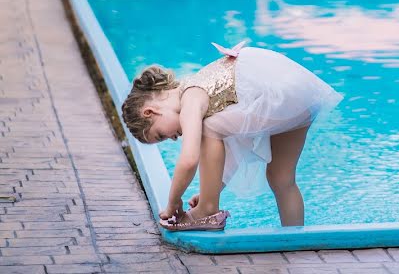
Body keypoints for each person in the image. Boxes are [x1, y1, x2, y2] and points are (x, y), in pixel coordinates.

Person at [121, 41, 342, 231]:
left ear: (150, 112)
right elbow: (232, 145)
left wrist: (172, 203)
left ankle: (207, 210)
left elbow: (189, 160)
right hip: (298, 94)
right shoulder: (197, 88)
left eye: (160, 135)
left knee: (209, 127)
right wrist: (213, 187)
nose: (172, 138)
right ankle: (296, 241)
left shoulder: (190, 98)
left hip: (279, 93)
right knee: (282, 179)